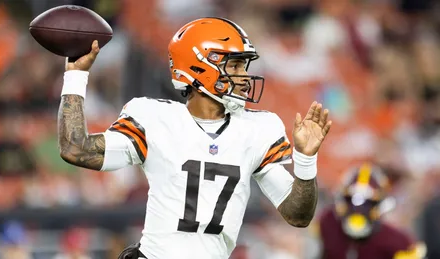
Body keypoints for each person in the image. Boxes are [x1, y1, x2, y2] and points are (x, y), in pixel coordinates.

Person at [57, 17, 332, 259]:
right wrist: (76, 76)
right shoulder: (154, 117)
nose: (245, 77)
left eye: (244, 67)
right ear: (198, 68)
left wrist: (306, 159)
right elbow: (75, 149)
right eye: (234, 66)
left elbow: (298, 215)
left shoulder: (258, 128)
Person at [315, 163, 426, 259]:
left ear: (382, 205)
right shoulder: (327, 223)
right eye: (351, 200)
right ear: (341, 201)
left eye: (368, 203)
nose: (358, 210)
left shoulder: (398, 242)